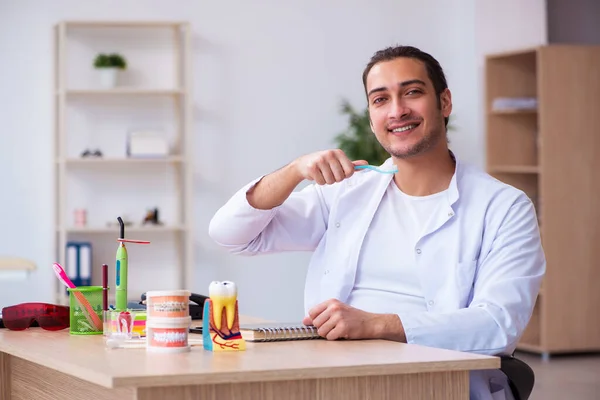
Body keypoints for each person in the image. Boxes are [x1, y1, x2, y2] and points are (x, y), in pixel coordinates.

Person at [208, 45, 545, 400]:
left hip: (442, 383)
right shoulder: (346, 192)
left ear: (444, 102)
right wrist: (294, 171)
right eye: (381, 99)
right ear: (371, 117)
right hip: (335, 376)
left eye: (412, 92)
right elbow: (231, 235)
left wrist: (377, 324)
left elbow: (498, 325)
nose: (397, 110)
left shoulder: (504, 207)